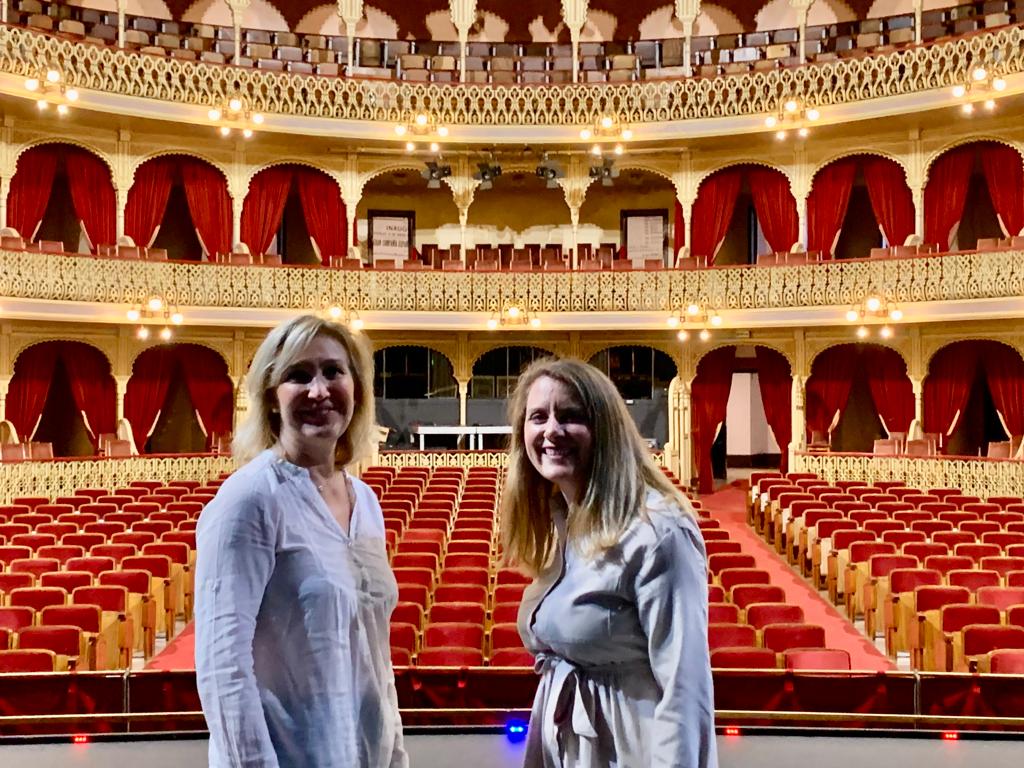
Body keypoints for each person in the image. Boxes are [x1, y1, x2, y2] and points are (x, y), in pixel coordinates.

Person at [195, 314, 407, 768]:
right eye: (298, 375)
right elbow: (223, 669)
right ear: (271, 398)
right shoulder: (249, 499)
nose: (318, 391)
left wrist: (395, 756)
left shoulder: (365, 501)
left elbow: (375, 660)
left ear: (357, 389)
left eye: (333, 371)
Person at [501, 357, 717, 768]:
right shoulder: (562, 520)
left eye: (570, 416)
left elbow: (685, 687)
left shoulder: (657, 531)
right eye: (538, 417)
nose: (551, 431)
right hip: (573, 746)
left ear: (605, 428)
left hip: (631, 747)